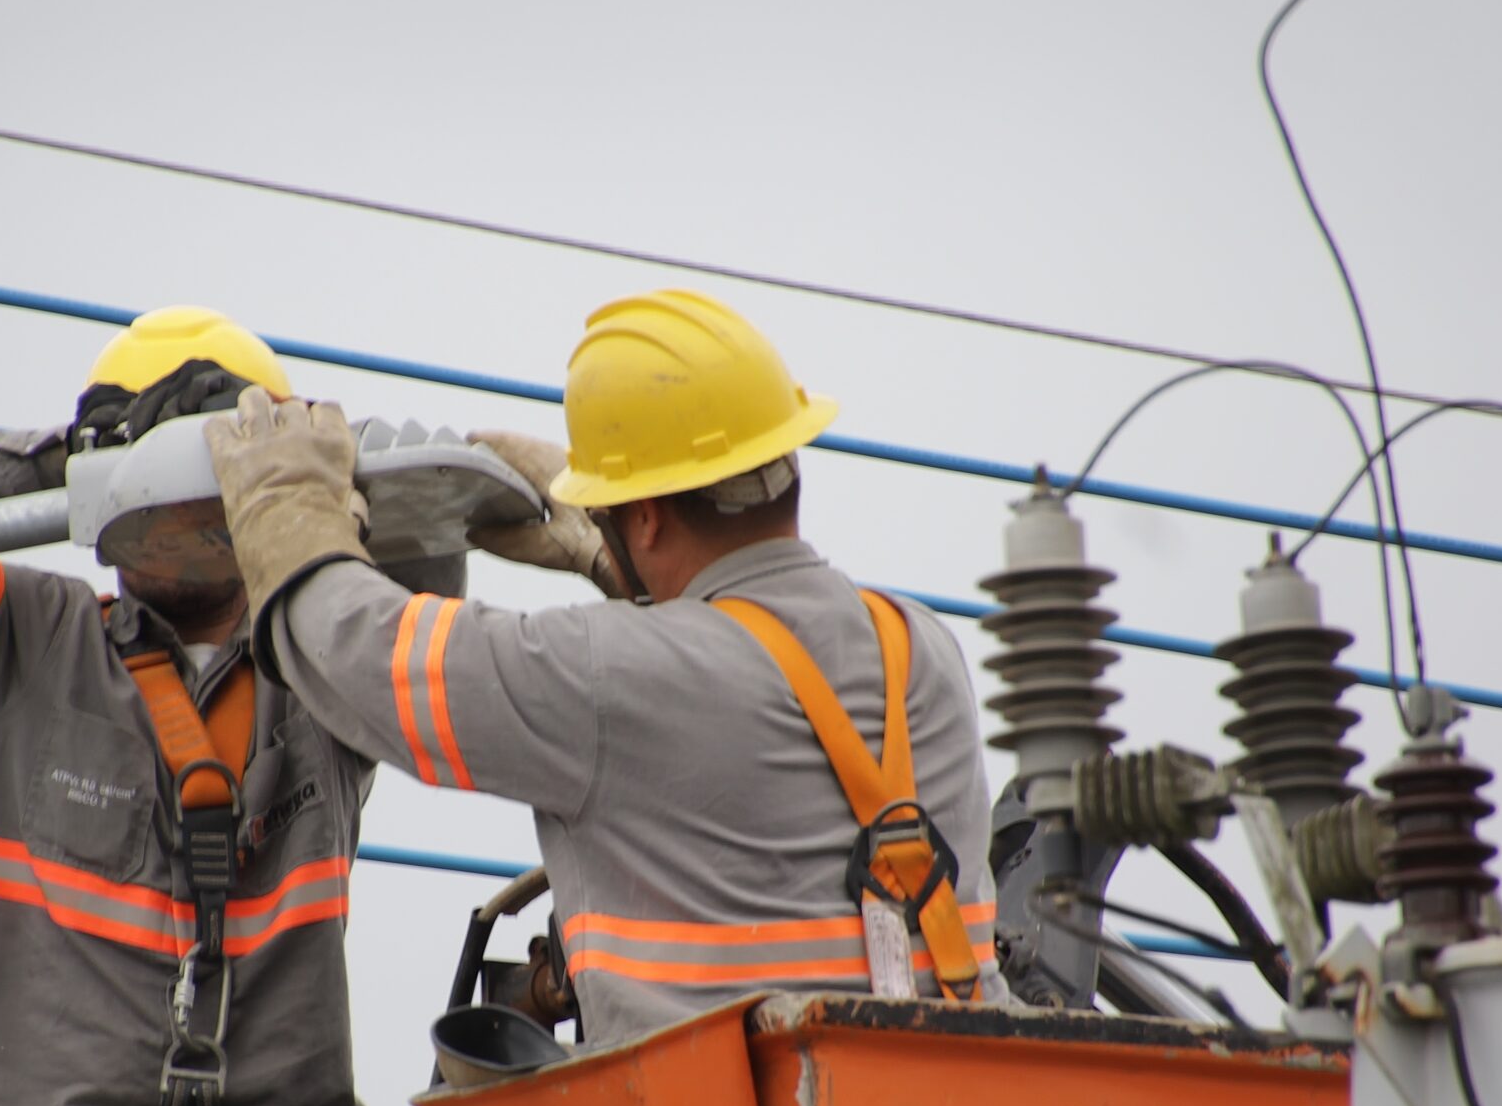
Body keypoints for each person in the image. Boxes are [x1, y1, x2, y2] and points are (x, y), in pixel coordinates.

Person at [208, 288, 999, 1045]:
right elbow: (739, 680)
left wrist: (284, 508)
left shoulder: (600, 676)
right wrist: (613, 553)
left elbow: (362, 655)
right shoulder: (921, 646)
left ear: (646, 517)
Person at [0, 306, 424, 1106]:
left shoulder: (327, 667)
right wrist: (78, 455)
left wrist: (323, 474)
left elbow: (426, 589)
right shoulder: (22, 649)